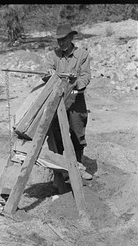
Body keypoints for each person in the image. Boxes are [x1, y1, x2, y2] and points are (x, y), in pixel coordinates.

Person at [43, 23, 92, 180]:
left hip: (76, 100)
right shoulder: (53, 55)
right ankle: (58, 174)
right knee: (56, 136)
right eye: (59, 40)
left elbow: (86, 76)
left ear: (71, 38)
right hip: (57, 101)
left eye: (64, 39)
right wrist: (49, 75)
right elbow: (45, 72)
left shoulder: (82, 54)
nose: (61, 43)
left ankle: (77, 169)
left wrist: (74, 82)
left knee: (77, 135)